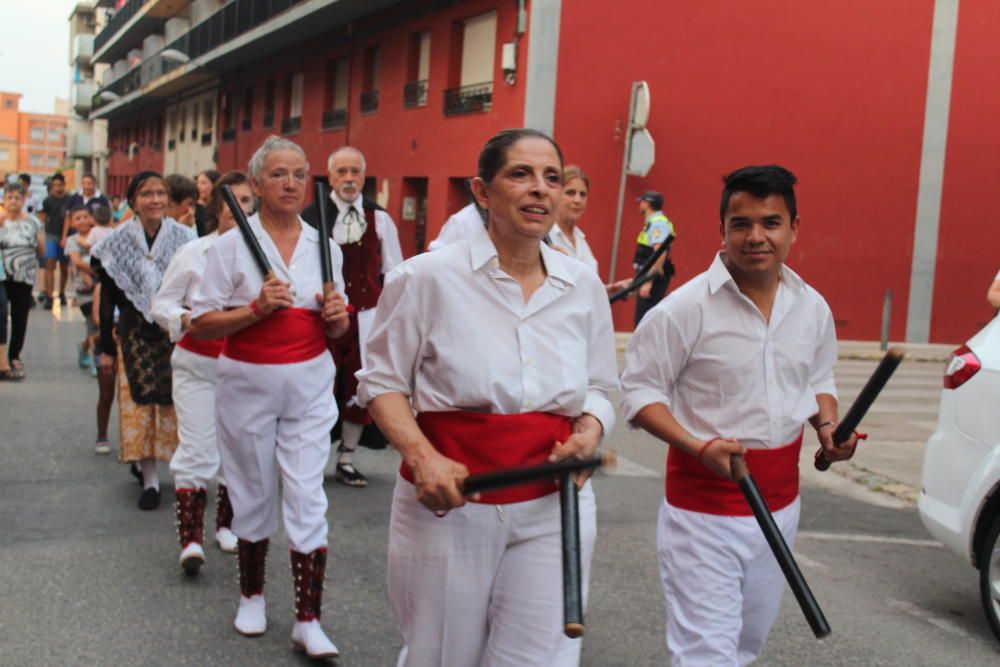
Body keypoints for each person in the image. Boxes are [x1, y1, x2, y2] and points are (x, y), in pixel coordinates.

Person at [357, 128, 619, 666]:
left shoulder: (582, 285)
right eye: (520, 175)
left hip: (556, 502)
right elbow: (381, 382)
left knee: (540, 660)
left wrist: (590, 430)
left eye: (552, 178)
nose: (540, 190)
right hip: (452, 502)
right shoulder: (424, 278)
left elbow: (601, 385)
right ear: (481, 191)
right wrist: (422, 456)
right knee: (443, 655)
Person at [621, 165, 860, 665]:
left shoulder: (810, 306)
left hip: (782, 505)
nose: (756, 237)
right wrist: (697, 447)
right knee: (705, 652)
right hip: (701, 512)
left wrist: (828, 427)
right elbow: (639, 396)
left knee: (747, 645)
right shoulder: (682, 310)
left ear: (794, 228)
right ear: (722, 229)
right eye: (741, 224)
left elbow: (818, 379)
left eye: (771, 223)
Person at [189, 136, 349, 659]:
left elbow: (337, 328)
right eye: (278, 174)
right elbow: (202, 322)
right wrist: (255, 309)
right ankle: (252, 595)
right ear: (256, 184)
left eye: (299, 174)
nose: (291, 183)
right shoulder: (230, 246)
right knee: (253, 491)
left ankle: (309, 617)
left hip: (309, 384)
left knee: (308, 494)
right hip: (247, 384)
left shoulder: (325, 244)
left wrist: (337, 320)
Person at [152, 171, 254, 574]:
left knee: (238, 451)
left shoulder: (266, 254)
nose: (237, 209)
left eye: (246, 201)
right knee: (196, 449)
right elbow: (161, 304)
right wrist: (187, 318)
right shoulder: (193, 253)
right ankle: (190, 538)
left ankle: (226, 525)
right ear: (216, 209)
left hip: (246, 368)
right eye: (230, 201)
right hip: (196, 365)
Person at [91, 172, 195, 510]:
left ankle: (178, 474)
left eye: (161, 193)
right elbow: (108, 297)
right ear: (133, 200)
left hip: (173, 331)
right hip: (134, 333)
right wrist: (106, 346)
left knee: (171, 402)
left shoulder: (184, 237)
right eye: (147, 193)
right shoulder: (115, 241)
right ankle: (149, 479)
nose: (155, 200)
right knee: (139, 404)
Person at [301, 146, 403, 487]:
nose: (348, 179)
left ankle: (347, 456)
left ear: (363, 176)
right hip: (322, 317)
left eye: (354, 172)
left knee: (359, 388)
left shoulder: (380, 218)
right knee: (318, 386)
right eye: (341, 172)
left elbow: (394, 273)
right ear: (330, 177)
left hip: (368, 318)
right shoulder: (312, 218)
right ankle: (311, 456)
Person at [550, 165, 631, 294]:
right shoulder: (545, 237)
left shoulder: (580, 239)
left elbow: (585, 291)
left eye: (583, 194)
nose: (577, 200)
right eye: (570, 193)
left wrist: (612, 289)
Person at [0, 183, 44, 380]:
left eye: (17, 198)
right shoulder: (1, 222)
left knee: (20, 316)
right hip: (3, 275)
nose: (13, 202)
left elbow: (41, 248)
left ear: (23, 200)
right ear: (4, 200)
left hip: (24, 276)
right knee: (1, 315)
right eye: (9, 198)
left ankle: (14, 354)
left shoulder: (33, 222)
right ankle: (1, 357)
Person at [632, 190, 676, 325]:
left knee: (644, 322)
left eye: (642, 202)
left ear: (647, 204)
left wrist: (648, 281)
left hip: (653, 279)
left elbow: (660, 254)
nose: (640, 205)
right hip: (648, 276)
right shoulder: (653, 222)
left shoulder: (657, 224)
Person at [65, 205, 98, 373]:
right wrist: (99, 272)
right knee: (93, 322)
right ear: (72, 223)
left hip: (101, 286)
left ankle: (85, 347)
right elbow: (77, 261)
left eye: (86, 216)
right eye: (78, 218)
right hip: (84, 289)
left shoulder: (98, 235)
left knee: (98, 324)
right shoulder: (72, 240)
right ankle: (95, 359)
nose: (83, 220)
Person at [39, 173, 73, 309]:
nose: (57, 188)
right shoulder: (47, 200)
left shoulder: (69, 200)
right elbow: (43, 215)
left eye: (60, 185)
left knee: (64, 266)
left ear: (64, 185)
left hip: (65, 236)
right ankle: (49, 295)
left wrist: (65, 237)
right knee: (50, 264)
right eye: (55, 186)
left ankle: (62, 292)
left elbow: (68, 218)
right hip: (50, 235)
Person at [194, 169, 220, 237]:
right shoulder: (193, 208)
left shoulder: (219, 208)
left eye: (203, 183)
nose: (198, 186)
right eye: (197, 183)